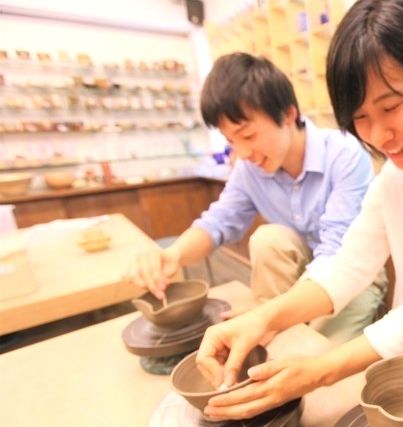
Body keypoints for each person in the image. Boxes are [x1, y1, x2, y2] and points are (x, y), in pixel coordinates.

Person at [194, 0, 403, 420]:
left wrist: (319, 371)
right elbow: (347, 268)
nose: (379, 135)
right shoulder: (394, 180)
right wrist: (263, 318)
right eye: (361, 117)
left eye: (392, 106)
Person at [127, 52, 384, 345]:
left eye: (247, 136)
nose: (243, 152)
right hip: (302, 275)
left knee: (314, 354)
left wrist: (272, 315)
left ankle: (277, 328)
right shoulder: (249, 168)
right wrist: (172, 255)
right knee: (269, 239)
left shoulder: (344, 153)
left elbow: (338, 252)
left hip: (352, 274)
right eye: (232, 141)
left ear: (288, 114)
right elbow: (218, 221)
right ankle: (272, 331)